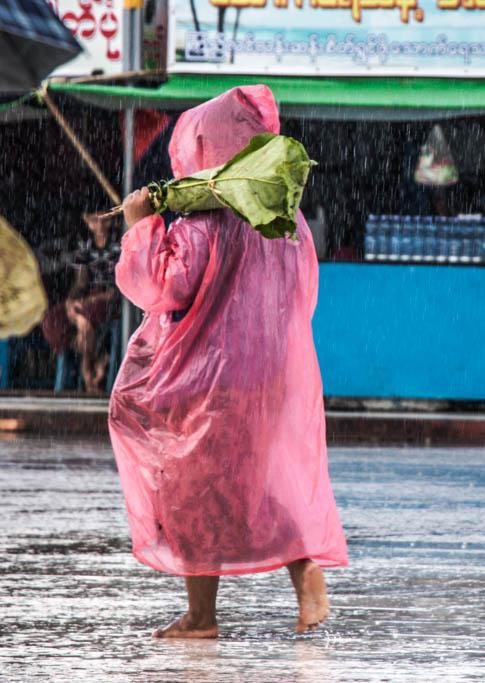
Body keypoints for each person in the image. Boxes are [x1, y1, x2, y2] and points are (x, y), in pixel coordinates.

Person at [109, 86, 348, 638]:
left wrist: (141, 226)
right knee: (257, 479)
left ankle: (201, 614)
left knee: (194, 489)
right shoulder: (284, 218)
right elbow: (302, 293)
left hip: (205, 379)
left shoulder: (201, 224)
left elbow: (163, 287)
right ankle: (303, 570)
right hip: (268, 373)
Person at [64, 212, 121, 392]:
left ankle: (88, 373)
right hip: (87, 300)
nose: (99, 223)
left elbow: (116, 288)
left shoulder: (119, 244)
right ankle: (97, 364)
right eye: (93, 219)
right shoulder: (85, 245)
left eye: (104, 218)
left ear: (111, 219)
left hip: (111, 299)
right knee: (54, 320)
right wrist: (70, 301)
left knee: (85, 320)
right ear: (86, 221)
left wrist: (90, 301)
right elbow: (80, 282)